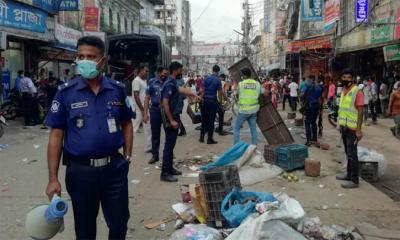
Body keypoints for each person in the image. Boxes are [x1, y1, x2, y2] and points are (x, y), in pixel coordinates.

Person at [44, 36, 134, 239]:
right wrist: (53, 179)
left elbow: (127, 123)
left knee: (119, 224)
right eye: (81, 56)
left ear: (102, 60)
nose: (84, 60)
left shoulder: (117, 90)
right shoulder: (65, 93)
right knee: (84, 230)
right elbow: (56, 135)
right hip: (80, 172)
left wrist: (127, 156)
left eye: (91, 56)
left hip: (114, 170)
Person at [160, 62, 198, 182]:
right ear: (176, 70)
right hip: (170, 118)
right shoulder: (169, 83)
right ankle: (165, 173)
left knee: (171, 145)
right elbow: (165, 102)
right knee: (168, 146)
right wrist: (171, 120)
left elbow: (180, 89)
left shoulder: (173, 82)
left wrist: (192, 94)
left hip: (175, 117)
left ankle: (170, 168)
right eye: (180, 70)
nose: (182, 72)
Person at [336, 68, 364, 189]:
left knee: (353, 154)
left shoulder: (357, 91)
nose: (346, 79)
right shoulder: (343, 90)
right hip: (344, 127)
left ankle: (354, 180)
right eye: (344, 77)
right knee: (348, 153)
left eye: (348, 77)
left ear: (353, 78)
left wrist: (358, 130)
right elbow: (342, 109)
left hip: (353, 129)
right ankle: (348, 174)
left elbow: (361, 112)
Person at [143, 67, 169, 164]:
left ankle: (168, 153)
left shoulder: (169, 82)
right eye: (163, 73)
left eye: (166, 74)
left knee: (168, 133)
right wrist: (145, 113)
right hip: (155, 110)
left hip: (166, 111)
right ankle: (155, 155)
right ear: (158, 73)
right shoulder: (152, 82)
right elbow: (147, 98)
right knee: (155, 134)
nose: (164, 75)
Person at [233, 68, 263, 145]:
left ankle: (235, 147)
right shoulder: (257, 84)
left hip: (243, 110)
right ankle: (254, 147)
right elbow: (264, 92)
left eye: (242, 75)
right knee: (253, 130)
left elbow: (237, 94)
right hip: (254, 111)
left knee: (236, 129)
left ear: (244, 75)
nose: (242, 76)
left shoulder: (241, 84)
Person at [199, 65, 226, 144]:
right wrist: (220, 103)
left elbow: (202, 90)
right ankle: (209, 139)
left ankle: (202, 136)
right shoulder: (218, 80)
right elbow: (220, 93)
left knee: (204, 119)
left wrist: (200, 98)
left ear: (212, 70)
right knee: (211, 120)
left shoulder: (206, 78)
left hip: (205, 101)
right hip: (212, 101)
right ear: (218, 71)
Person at [132, 65, 152, 153]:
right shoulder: (136, 81)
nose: (147, 73)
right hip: (140, 107)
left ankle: (149, 147)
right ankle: (126, 144)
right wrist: (142, 109)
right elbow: (136, 96)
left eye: (148, 71)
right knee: (134, 127)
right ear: (140, 71)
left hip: (145, 106)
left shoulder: (144, 81)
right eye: (146, 71)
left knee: (147, 127)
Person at [301, 75, 323, 146]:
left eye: (308, 79)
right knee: (313, 122)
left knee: (307, 123)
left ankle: (309, 140)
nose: (307, 80)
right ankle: (314, 139)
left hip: (308, 107)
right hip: (316, 106)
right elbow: (320, 98)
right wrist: (320, 109)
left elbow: (302, 95)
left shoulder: (306, 86)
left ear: (310, 79)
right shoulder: (319, 87)